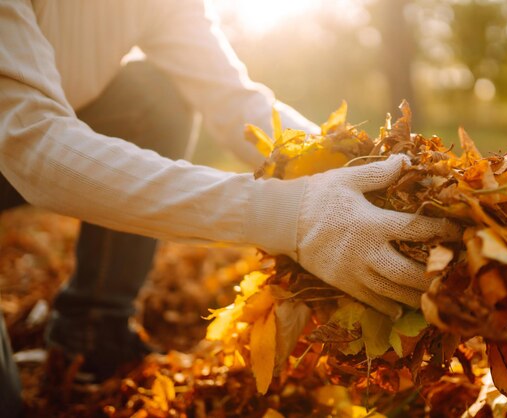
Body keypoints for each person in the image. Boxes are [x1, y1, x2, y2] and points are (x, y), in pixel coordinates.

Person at [0, 1, 459, 415]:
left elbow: (234, 102)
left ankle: (93, 331)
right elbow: (30, 142)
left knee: (153, 97)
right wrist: (290, 215)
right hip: (20, 146)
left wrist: (373, 170)